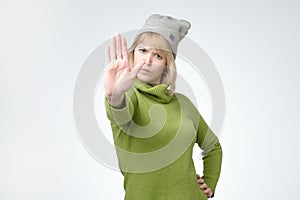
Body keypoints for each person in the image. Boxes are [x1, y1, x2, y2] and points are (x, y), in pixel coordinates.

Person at [103, 14, 222, 200]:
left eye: (158, 55)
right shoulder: (129, 96)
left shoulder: (183, 104)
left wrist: (209, 184)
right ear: (132, 53)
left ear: (168, 64)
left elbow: (213, 147)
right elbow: (121, 114)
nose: (147, 60)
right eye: (142, 50)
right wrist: (114, 95)